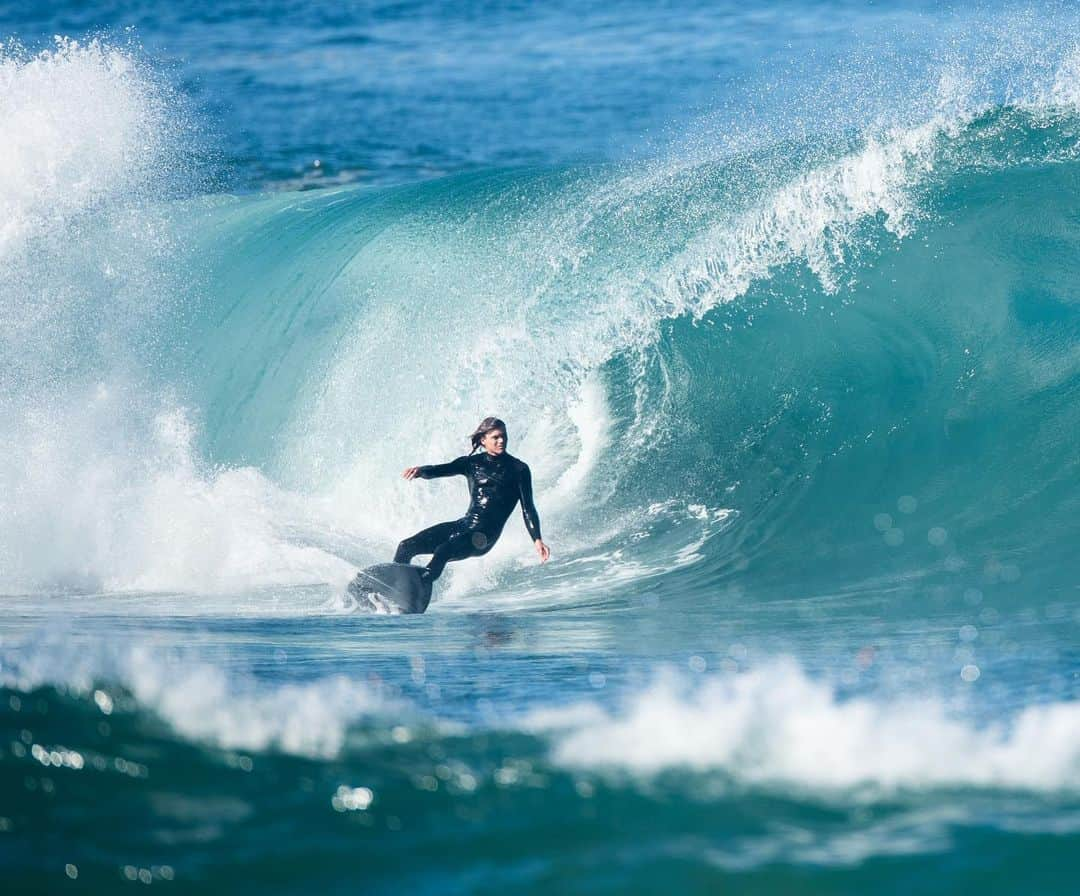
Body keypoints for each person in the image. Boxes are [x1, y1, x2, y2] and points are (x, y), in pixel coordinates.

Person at [394, 417, 551, 582]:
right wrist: (420, 471)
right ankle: (394, 583)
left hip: (483, 537)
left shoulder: (519, 469)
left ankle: (419, 585)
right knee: (406, 546)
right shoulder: (471, 463)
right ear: (483, 440)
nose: (501, 440)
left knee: (443, 551)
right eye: (496, 437)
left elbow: (528, 508)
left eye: (504, 436)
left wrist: (537, 539)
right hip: (464, 526)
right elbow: (440, 469)